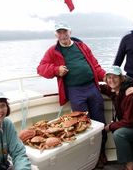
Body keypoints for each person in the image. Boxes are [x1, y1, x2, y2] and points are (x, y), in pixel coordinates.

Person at [37, 22, 107, 168]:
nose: (63, 35)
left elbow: (94, 65)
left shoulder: (81, 45)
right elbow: (41, 68)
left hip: (92, 88)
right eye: (59, 33)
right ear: (56, 35)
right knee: (81, 125)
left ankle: (101, 153)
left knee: (100, 122)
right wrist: (56, 70)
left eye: (65, 32)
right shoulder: (53, 50)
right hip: (75, 91)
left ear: (70, 32)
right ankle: (88, 155)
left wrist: (106, 77)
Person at [100, 65, 133, 170]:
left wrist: (110, 126)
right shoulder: (115, 90)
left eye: (115, 77)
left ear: (121, 78)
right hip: (130, 128)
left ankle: (129, 165)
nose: (112, 80)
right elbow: (103, 88)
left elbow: (130, 121)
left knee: (119, 134)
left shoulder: (130, 94)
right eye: (109, 77)